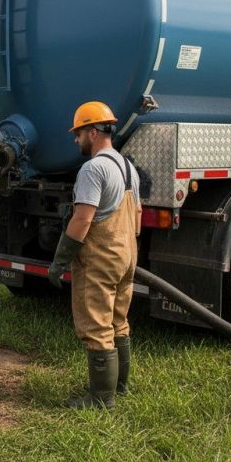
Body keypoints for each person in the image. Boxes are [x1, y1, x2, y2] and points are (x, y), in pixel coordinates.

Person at [48, 101, 141, 409]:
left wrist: (60, 261)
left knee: (97, 325)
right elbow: (137, 214)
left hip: (100, 257)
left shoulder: (93, 168)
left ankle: (101, 398)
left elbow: (83, 218)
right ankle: (120, 386)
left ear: (92, 132)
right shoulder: (127, 167)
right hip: (126, 254)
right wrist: (126, 248)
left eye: (78, 133)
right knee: (118, 321)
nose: (76, 140)